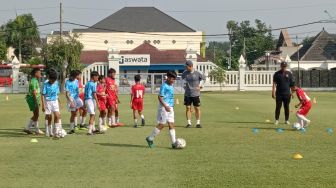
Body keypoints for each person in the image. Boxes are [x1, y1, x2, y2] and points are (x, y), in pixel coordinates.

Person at [146, 71, 178, 149]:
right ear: (168, 77)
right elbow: (160, 97)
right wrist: (165, 106)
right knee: (162, 124)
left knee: (171, 124)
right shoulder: (164, 86)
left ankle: (174, 143)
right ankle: (150, 138)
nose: (173, 81)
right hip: (164, 107)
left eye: (174, 79)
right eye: (172, 79)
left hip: (170, 107)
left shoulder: (171, 84)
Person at [182, 60, 206, 128]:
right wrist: (183, 85)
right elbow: (182, 80)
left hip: (196, 94)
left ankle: (198, 123)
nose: (185, 68)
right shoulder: (184, 73)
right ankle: (189, 123)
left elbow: (204, 79)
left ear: (191, 66)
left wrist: (201, 86)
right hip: (187, 94)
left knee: (197, 108)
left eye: (186, 66)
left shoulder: (197, 73)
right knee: (188, 107)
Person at [41, 70, 62, 138]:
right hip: (48, 102)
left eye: (53, 80)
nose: (52, 82)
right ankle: (48, 131)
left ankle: (56, 132)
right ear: (49, 78)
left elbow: (57, 94)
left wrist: (59, 101)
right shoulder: (46, 84)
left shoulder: (56, 83)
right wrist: (43, 105)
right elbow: (42, 95)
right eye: (51, 80)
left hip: (55, 101)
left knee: (57, 115)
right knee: (49, 117)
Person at [24, 68, 44, 135]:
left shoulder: (35, 80)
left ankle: (31, 128)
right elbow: (34, 92)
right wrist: (36, 102)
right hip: (33, 100)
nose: (40, 74)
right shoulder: (33, 81)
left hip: (35, 99)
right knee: (36, 114)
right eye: (39, 73)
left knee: (36, 114)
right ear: (36, 73)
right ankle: (32, 129)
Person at [65, 70, 83, 134]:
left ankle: (81, 124)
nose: (75, 78)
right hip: (71, 99)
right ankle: (71, 129)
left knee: (83, 107)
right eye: (74, 76)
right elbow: (67, 94)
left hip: (77, 98)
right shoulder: (67, 82)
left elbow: (78, 90)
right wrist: (71, 101)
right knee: (73, 114)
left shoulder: (76, 81)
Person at [84, 71, 99, 135]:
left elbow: (85, 93)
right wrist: (98, 102)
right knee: (92, 115)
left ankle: (93, 129)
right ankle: (89, 131)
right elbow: (94, 94)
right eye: (97, 77)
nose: (97, 79)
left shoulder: (87, 83)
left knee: (93, 114)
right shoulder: (93, 84)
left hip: (88, 100)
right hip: (90, 100)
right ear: (94, 77)